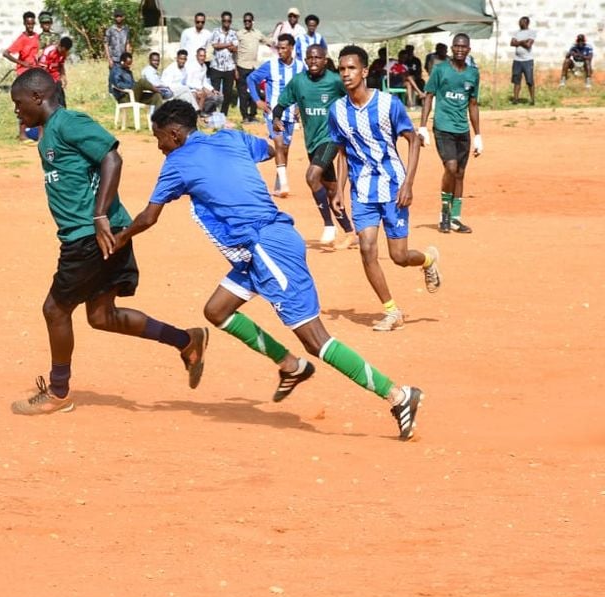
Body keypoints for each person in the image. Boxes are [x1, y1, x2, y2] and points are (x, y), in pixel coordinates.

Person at [102, 99, 425, 441]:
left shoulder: (178, 163)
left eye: (159, 139)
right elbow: (272, 149)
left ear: (175, 134)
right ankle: (290, 365)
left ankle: (398, 395)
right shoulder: (230, 137)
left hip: (267, 248)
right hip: (258, 248)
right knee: (217, 310)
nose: (159, 147)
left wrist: (118, 239)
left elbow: (148, 217)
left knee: (315, 340)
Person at [8, 69, 208, 415]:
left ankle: (58, 392)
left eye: (18, 102)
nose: (16, 109)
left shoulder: (69, 122)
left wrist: (99, 214)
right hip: (102, 234)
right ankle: (186, 340)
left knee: (55, 309)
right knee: (102, 316)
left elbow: (112, 157)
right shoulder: (49, 132)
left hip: (91, 235)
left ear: (38, 97)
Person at [328, 45, 441, 333]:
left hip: (393, 188)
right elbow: (342, 152)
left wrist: (408, 184)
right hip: (362, 191)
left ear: (365, 71)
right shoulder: (337, 111)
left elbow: (413, 140)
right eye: (342, 69)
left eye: (351, 68)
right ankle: (392, 311)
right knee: (366, 248)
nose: (346, 73)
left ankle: (428, 259)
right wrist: (339, 190)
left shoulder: (388, 104)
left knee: (399, 257)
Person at [274, 44, 355, 248]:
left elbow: (354, 97)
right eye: (310, 58)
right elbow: (280, 104)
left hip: (331, 138)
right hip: (311, 142)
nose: (313, 61)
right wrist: (276, 118)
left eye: (317, 58)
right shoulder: (299, 81)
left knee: (312, 176)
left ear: (325, 60)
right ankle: (349, 232)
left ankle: (328, 225)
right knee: (331, 190)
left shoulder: (335, 80)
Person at [419, 33, 482, 234]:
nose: (460, 50)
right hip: (443, 127)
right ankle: (444, 214)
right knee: (451, 167)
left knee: (460, 174)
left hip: (462, 129)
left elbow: (473, 104)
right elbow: (429, 96)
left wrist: (478, 135)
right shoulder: (440, 70)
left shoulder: (473, 73)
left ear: (468, 50)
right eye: (457, 46)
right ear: (452, 48)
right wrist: (423, 127)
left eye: (464, 47)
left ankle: (455, 219)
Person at [246, 33, 305, 197]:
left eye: (283, 48)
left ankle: (279, 185)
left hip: (291, 114)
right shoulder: (270, 65)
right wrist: (257, 100)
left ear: (291, 48)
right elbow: (251, 79)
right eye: (278, 48)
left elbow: (305, 87)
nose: (280, 51)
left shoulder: (301, 67)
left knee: (285, 148)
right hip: (273, 114)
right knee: (279, 144)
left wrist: (300, 106)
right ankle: (284, 185)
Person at [3, 11, 40, 141]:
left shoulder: (38, 37)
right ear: (24, 23)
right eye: (28, 24)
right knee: (24, 104)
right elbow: (6, 53)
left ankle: (39, 134)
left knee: (37, 103)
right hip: (23, 75)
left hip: (35, 75)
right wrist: (22, 63)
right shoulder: (22, 39)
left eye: (32, 24)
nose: (30, 26)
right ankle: (22, 134)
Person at [235, 12, 265, 123]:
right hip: (242, 66)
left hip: (253, 67)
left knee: (255, 91)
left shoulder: (257, 33)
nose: (247, 23)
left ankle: (253, 115)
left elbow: (268, 41)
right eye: (245, 21)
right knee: (243, 93)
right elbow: (234, 51)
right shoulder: (239, 34)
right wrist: (235, 68)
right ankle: (245, 116)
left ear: (253, 22)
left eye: (249, 21)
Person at [208, 12, 239, 116]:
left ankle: (223, 114)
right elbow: (215, 45)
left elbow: (235, 49)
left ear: (231, 21)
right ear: (221, 21)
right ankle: (213, 113)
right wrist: (228, 44)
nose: (226, 22)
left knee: (228, 93)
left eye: (228, 21)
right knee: (214, 92)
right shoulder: (215, 31)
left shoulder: (234, 33)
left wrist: (223, 45)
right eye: (225, 20)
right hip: (216, 67)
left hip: (229, 67)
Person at [38, 36, 71, 108]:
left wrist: (64, 77)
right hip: (46, 79)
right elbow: (42, 69)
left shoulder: (64, 53)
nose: (62, 53)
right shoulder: (49, 51)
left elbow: (61, 66)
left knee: (61, 102)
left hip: (56, 79)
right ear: (59, 45)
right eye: (62, 51)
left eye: (64, 52)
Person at [104, 8, 131, 94]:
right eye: (116, 16)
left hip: (123, 59)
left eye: (120, 16)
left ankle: (123, 94)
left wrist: (128, 57)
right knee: (113, 77)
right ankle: (111, 94)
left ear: (123, 17)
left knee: (125, 76)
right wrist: (109, 59)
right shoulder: (110, 30)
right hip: (114, 59)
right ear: (114, 18)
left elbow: (127, 43)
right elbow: (106, 44)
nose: (118, 18)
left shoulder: (126, 30)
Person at [510, 16, 536, 104]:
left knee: (529, 80)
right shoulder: (516, 32)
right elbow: (512, 43)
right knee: (516, 80)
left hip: (527, 60)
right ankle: (515, 99)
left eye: (522, 22)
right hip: (517, 60)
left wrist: (518, 42)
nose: (520, 23)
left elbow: (528, 45)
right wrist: (522, 42)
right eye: (520, 21)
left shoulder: (531, 33)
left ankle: (532, 99)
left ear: (527, 23)